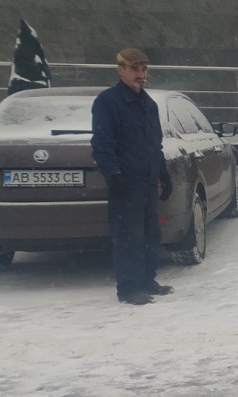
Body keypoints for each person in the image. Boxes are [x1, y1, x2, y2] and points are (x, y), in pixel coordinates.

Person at [91, 48, 173, 305]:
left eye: (143, 69)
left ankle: (147, 280)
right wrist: (114, 175)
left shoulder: (148, 104)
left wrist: (163, 172)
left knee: (150, 235)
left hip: (148, 181)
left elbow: (154, 144)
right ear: (121, 70)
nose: (140, 74)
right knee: (129, 237)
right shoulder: (108, 101)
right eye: (134, 69)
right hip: (126, 182)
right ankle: (128, 288)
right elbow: (102, 144)